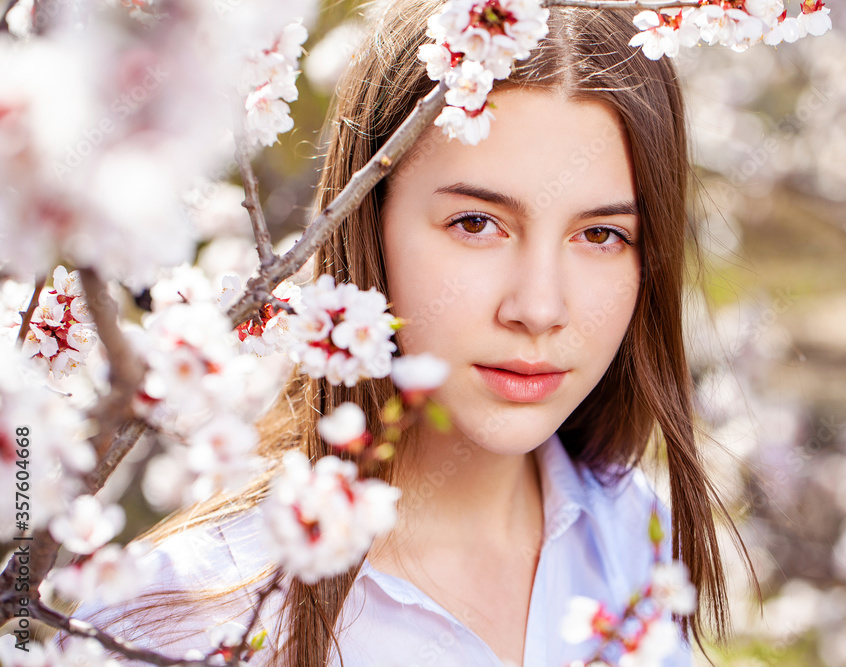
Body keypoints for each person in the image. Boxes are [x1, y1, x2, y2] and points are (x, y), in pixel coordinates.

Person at [65, 0, 749, 665]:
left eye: (600, 235)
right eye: (477, 223)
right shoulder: (181, 614)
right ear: (369, 224)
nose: (539, 308)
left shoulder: (633, 534)